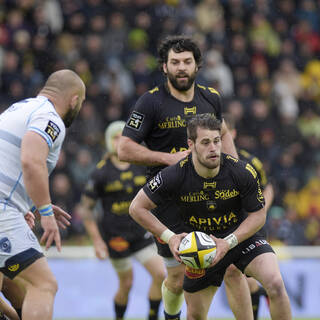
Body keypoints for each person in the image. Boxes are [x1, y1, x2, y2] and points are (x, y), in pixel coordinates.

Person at [118, 35, 252, 320]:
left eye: (187, 62)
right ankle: (171, 316)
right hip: (167, 199)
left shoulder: (211, 97)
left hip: (209, 195)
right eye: (175, 62)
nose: (181, 67)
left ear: (197, 66)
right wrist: (169, 159)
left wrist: (236, 172)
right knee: (178, 278)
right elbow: (124, 148)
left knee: (229, 266)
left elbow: (223, 133)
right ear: (164, 67)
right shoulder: (150, 102)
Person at [129, 114, 292, 320]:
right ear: (191, 144)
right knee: (196, 315)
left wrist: (229, 241)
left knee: (275, 284)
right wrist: (170, 236)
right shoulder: (174, 174)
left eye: (217, 141)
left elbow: (258, 216)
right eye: (205, 142)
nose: (213, 148)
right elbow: (136, 208)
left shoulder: (242, 171)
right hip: (201, 247)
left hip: (240, 238)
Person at [0, 69, 86, 320]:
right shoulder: (50, 118)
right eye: (81, 102)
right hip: (3, 209)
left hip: (8, 206)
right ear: (74, 100)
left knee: (14, 288)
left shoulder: (19, 108)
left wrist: (33, 205)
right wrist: (46, 213)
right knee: (44, 285)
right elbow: (30, 160)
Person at [78, 121, 166, 320]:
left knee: (160, 275)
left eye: (122, 137)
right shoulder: (100, 172)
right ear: (108, 141)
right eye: (115, 137)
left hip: (140, 232)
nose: (119, 142)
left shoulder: (141, 167)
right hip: (115, 236)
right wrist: (97, 241)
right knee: (126, 283)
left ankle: (152, 316)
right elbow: (86, 210)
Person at [224, 113, 274, 319]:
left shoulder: (251, 162)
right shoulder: (205, 163)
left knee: (238, 273)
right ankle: (258, 299)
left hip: (249, 226)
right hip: (223, 226)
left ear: (232, 133)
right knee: (239, 275)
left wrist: (260, 211)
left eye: (222, 133)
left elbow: (267, 187)